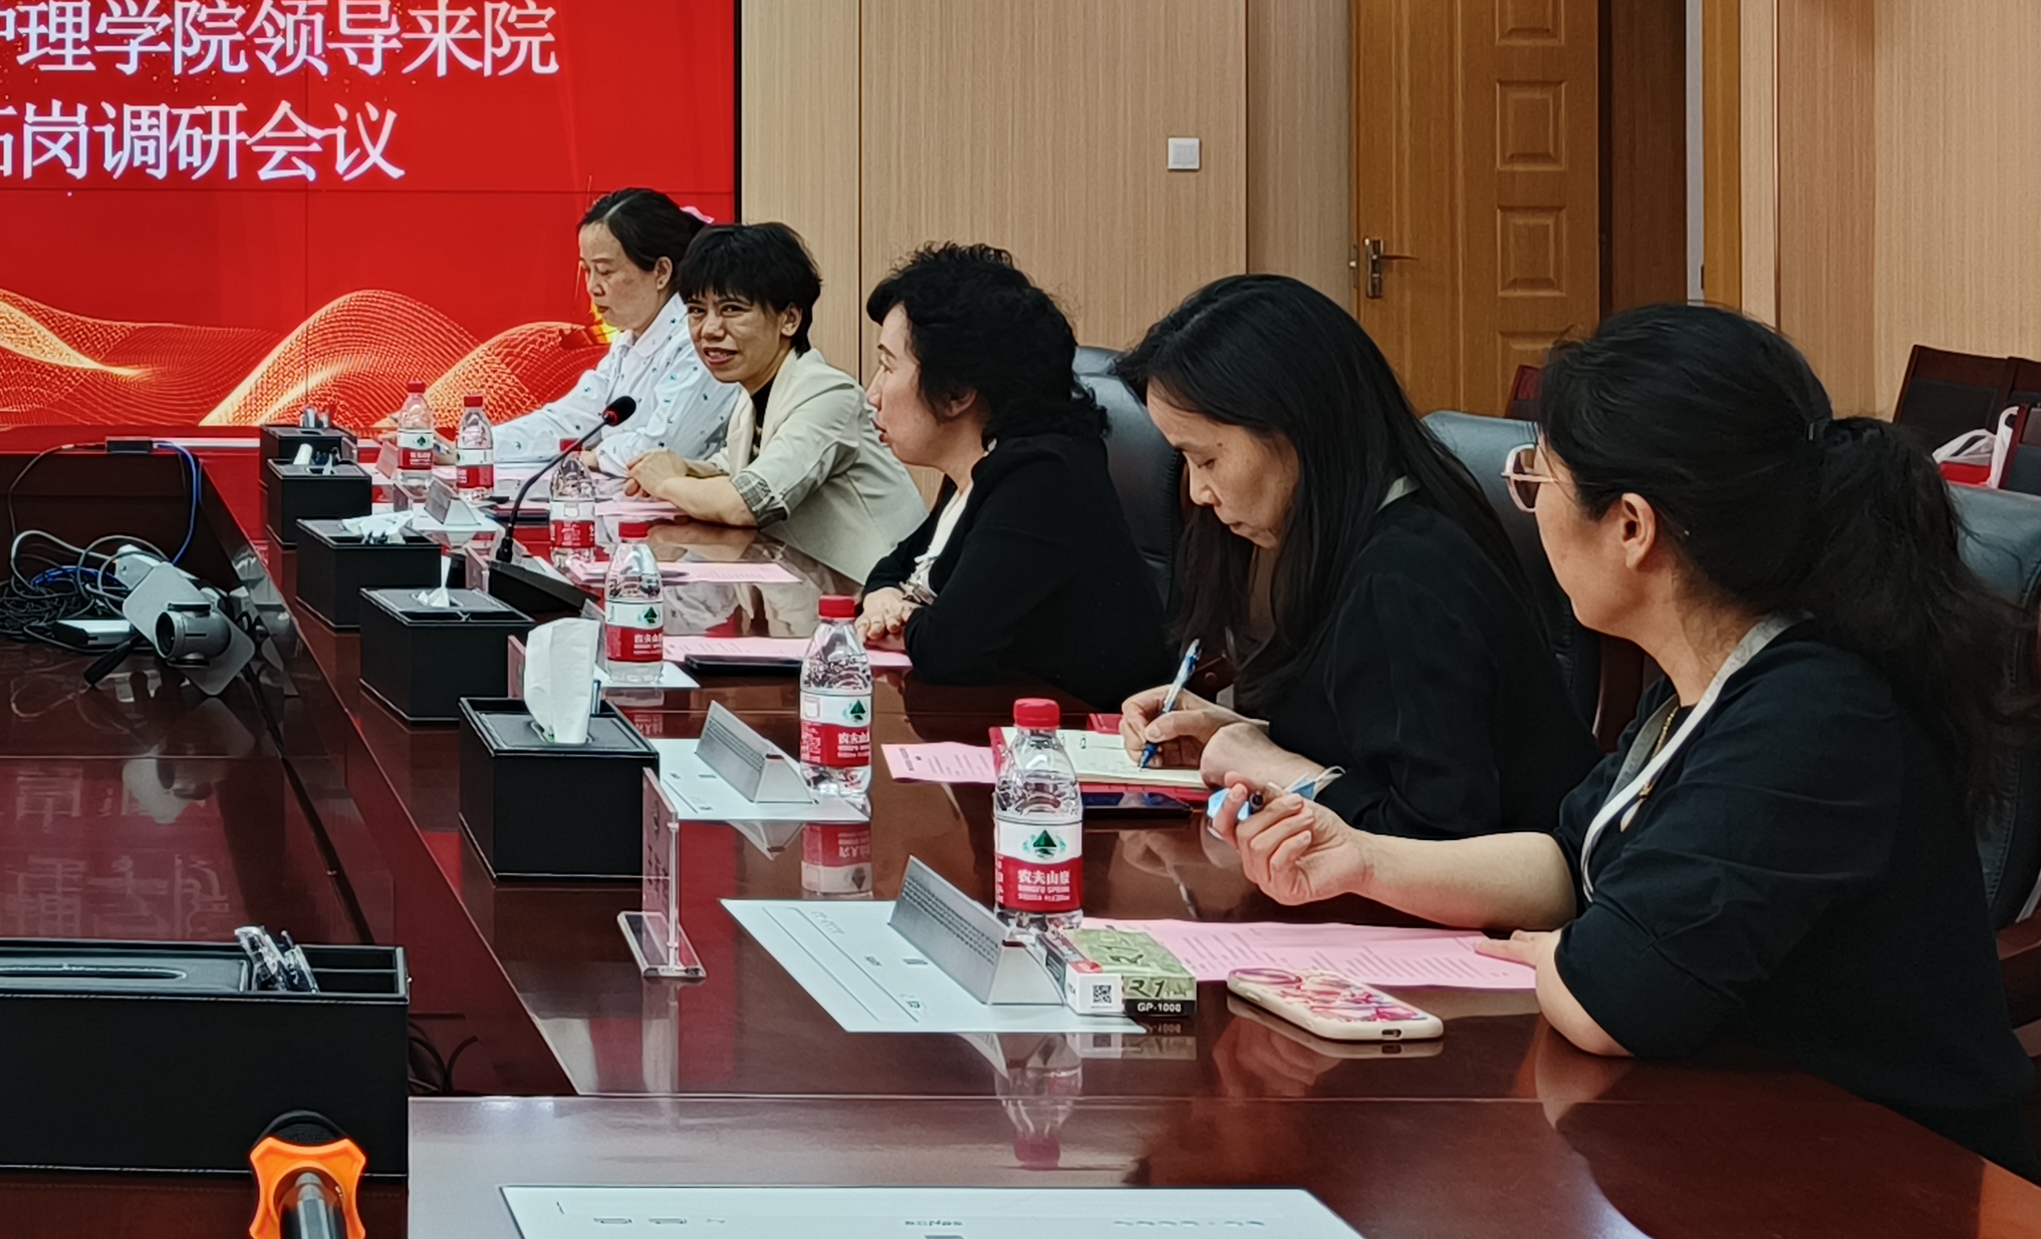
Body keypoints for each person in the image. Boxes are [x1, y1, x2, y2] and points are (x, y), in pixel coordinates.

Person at [1227, 304, 2034, 1173]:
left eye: (1538, 478)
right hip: (1737, 1141)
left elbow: (1609, 1002)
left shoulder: (1814, 713)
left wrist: (1569, 956)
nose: (1530, 506)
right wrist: (1359, 859)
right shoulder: (1709, 674)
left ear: (1632, 526)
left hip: (1886, 1179)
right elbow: (1564, 865)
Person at [1114, 271, 1593, 837]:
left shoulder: (1407, 579)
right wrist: (1237, 735)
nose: (1198, 492)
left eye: (1207, 460)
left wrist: (1276, 768)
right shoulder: (1350, 537)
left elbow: (1439, 838)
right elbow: (1367, 754)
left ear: (1295, 428)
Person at [848, 242, 1171, 707]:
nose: (872, 393)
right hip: (996, 713)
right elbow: (895, 567)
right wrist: (884, 598)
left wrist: (902, 615)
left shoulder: (1041, 477)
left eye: (887, 366)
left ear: (957, 392)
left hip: (1080, 733)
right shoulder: (976, 467)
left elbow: (946, 647)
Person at [621, 220, 920, 589]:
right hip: (814, 594)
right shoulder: (753, 393)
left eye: (731, 309)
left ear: (789, 319)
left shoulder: (828, 394)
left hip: (879, 598)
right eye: (697, 310)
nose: (709, 329)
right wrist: (684, 468)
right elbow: (733, 468)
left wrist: (666, 481)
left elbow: (746, 503)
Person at [488, 186, 735, 472]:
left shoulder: (700, 340)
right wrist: (476, 447)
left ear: (661, 272)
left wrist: (597, 456)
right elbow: (570, 419)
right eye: (587, 270)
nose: (593, 287)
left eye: (605, 271)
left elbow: (662, 449)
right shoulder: (628, 340)